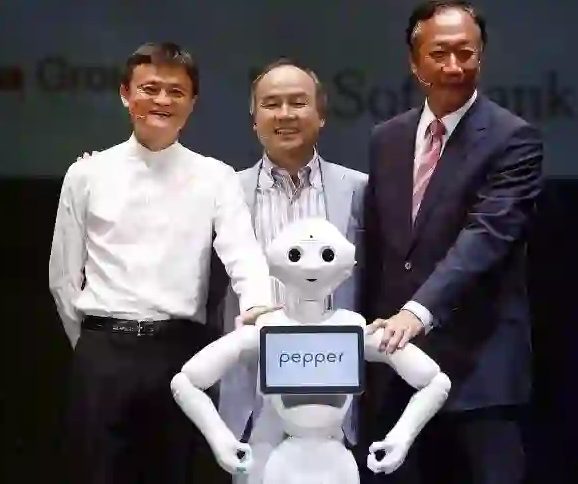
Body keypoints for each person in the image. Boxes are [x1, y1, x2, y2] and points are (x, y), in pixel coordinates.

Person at [49, 42, 276, 484]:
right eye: (149, 88)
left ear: (192, 102)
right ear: (125, 94)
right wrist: (91, 348)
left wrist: (259, 308)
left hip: (179, 353)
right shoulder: (87, 174)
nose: (162, 100)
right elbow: (63, 277)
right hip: (103, 351)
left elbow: (243, 254)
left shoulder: (215, 176)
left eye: (176, 91)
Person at [360, 0, 544, 484]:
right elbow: (380, 251)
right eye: (440, 54)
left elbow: (486, 236)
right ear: (414, 61)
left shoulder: (513, 138)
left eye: (467, 52)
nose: (455, 66)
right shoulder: (387, 138)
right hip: (397, 366)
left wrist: (417, 312)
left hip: (479, 369)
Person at [207, 58, 367, 480]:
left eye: (298, 102)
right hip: (252, 394)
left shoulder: (359, 190)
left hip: (334, 393)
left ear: (322, 114)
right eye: (271, 104)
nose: (285, 114)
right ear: (254, 119)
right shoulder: (225, 192)